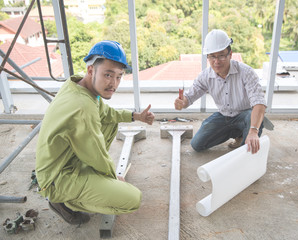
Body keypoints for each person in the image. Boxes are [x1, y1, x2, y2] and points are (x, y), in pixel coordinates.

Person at [35, 40, 155, 225]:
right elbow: (96, 154)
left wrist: (135, 116)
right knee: (132, 199)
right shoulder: (83, 107)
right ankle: (64, 201)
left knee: (110, 122)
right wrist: (113, 178)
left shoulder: (78, 85)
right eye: (108, 74)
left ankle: (87, 182)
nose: (113, 84)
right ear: (91, 70)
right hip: (55, 179)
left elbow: (107, 114)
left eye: (118, 76)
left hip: (59, 162)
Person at [174, 29, 268, 154]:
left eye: (222, 56)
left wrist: (253, 131)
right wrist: (182, 102)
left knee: (246, 151)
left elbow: (259, 103)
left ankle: (248, 133)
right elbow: (189, 97)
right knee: (197, 144)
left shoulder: (246, 72)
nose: (216, 61)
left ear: (230, 54)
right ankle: (237, 134)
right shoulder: (206, 76)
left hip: (245, 116)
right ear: (208, 57)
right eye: (212, 56)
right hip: (224, 116)